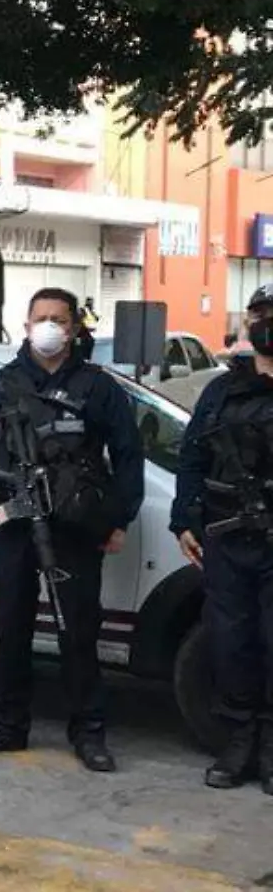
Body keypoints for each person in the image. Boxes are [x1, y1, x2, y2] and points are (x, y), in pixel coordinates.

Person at [0, 288, 143, 772]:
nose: (49, 326)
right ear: (25, 325)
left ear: (75, 328)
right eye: (40, 317)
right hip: (14, 524)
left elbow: (128, 458)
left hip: (76, 528)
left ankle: (89, 732)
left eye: (58, 318)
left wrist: (119, 519)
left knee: (78, 632)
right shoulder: (1, 384)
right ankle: (6, 726)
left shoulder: (99, 388)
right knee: (10, 628)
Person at [172, 283, 273, 792]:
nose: (267, 322)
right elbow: (191, 457)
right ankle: (238, 745)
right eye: (261, 313)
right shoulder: (220, 389)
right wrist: (183, 520)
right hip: (228, 540)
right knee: (231, 644)